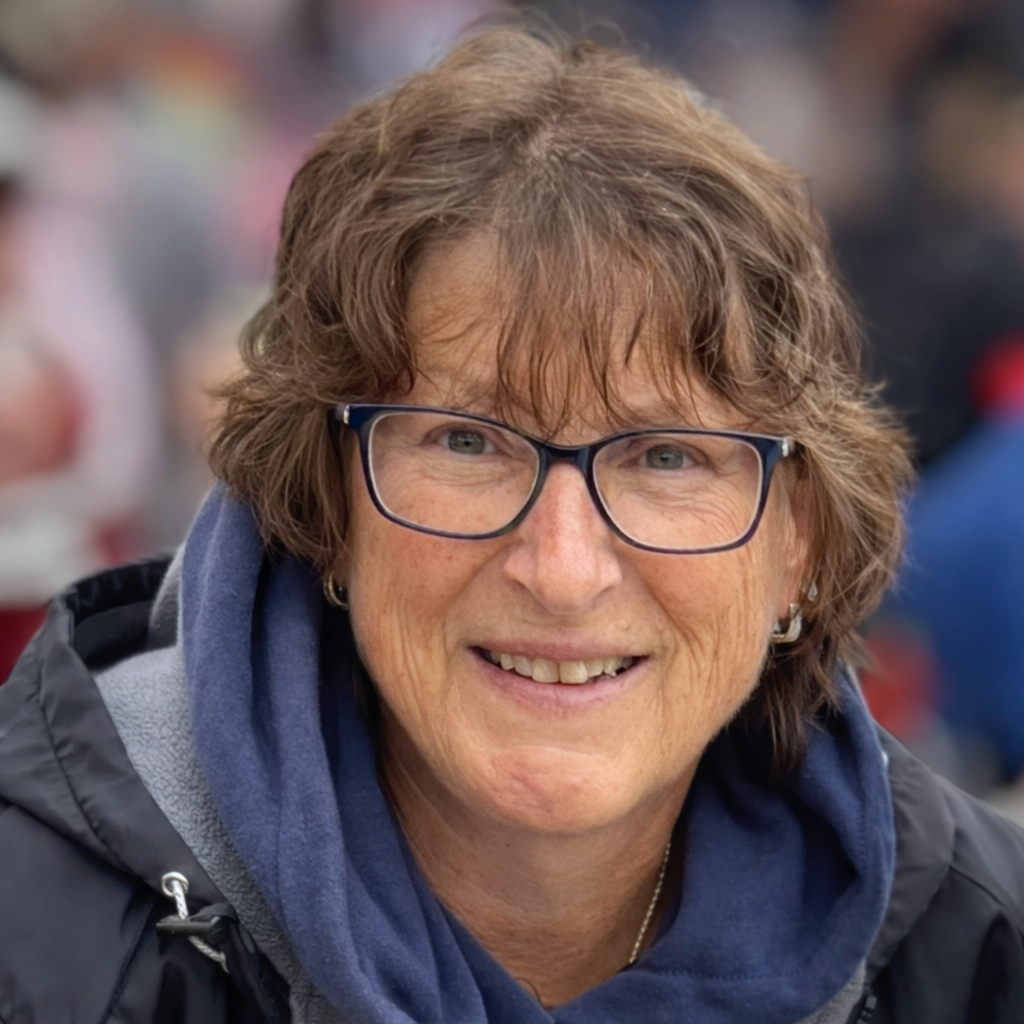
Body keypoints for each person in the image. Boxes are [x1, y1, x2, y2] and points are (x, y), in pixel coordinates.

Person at [1, 27, 1022, 1024]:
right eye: (467, 444)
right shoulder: (37, 939)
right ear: (324, 503)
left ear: (796, 545)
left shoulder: (984, 947)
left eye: (666, 456)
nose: (564, 569)